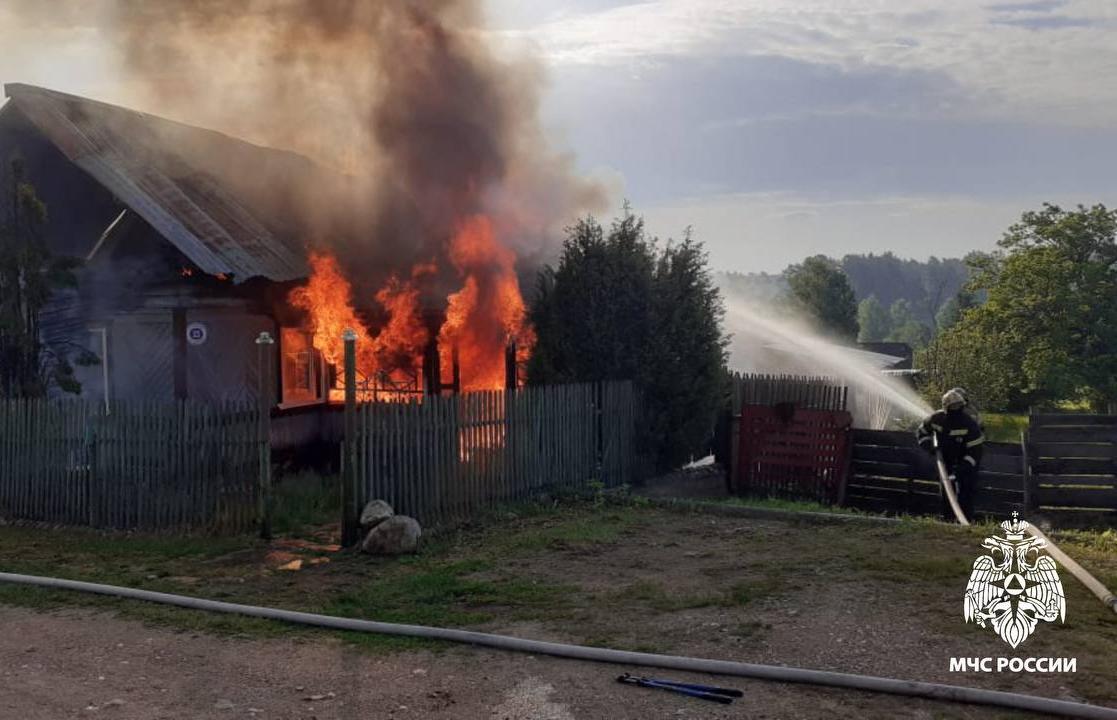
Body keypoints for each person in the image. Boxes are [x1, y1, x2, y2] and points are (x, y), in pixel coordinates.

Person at [916, 388, 984, 521]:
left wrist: (962, 468)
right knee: (946, 494)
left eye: (958, 406)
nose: (955, 409)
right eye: (953, 407)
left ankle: (965, 523)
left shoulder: (969, 424)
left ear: (963, 406)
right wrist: (929, 446)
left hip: (966, 464)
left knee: (966, 495)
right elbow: (922, 432)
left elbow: (975, 451)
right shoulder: (936, 419)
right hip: (945, 462)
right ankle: (948, 522)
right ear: (946, 408)